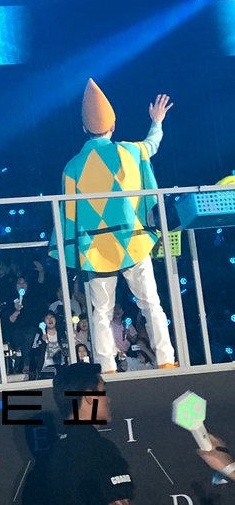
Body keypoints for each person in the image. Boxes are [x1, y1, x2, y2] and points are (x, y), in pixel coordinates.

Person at [50, 78, 175, 373]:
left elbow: (69, 215)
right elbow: (152, 145)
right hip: (132, 241)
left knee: (101, 312)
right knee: (150, 303)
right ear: (113, 125)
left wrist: (73, 248)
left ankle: (106, 367)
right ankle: (166, 360)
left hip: (95, 248)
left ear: (84, 129)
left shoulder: (72, 167)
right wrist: (156, 121)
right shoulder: (128, 151)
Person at [23, 363, 134, 504]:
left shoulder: (39, 471)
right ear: (89, 397)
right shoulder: (103, 451)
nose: (108, 399)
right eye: (103, 391)